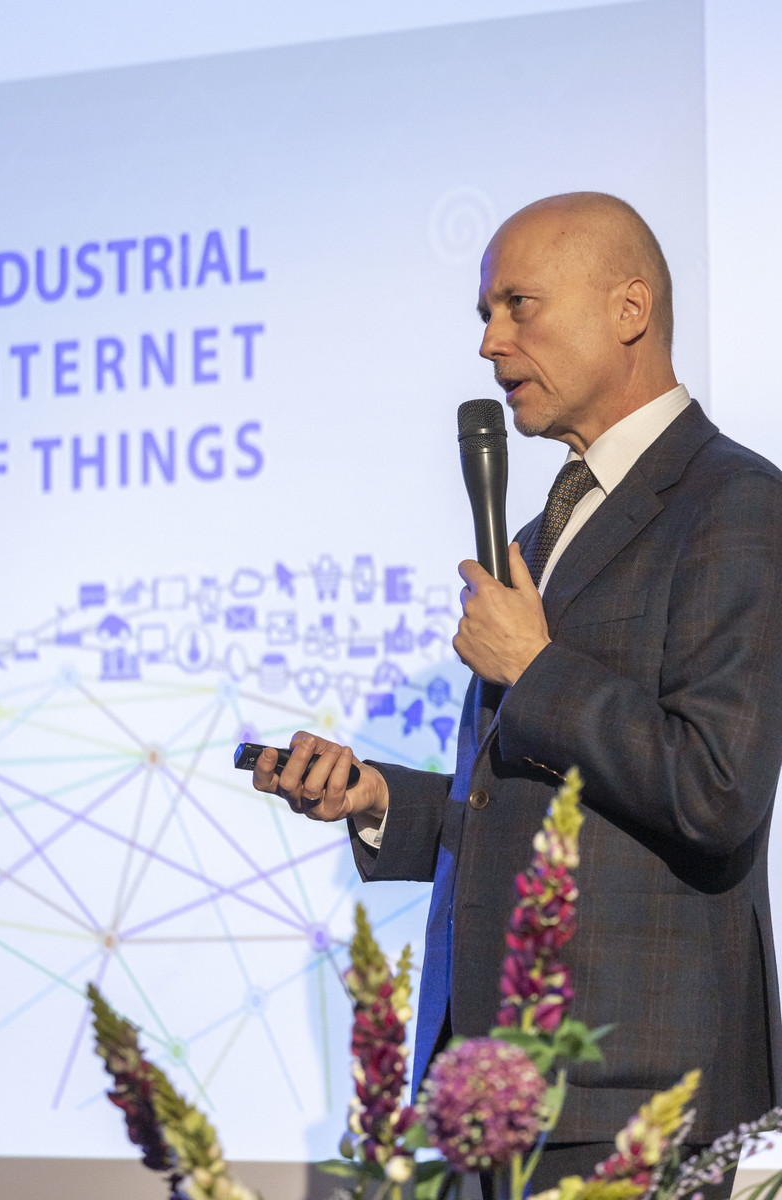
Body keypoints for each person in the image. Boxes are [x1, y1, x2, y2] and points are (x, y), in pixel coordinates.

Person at [251, 193, 782, 1185]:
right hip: (496, 1092)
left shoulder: (734, 502)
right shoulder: (540, 535)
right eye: (485, 313)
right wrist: (377, 799)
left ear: (628, 310)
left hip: (636, 1098)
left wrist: (534, 668)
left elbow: (715, 789)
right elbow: (537, 811)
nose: (490, 342)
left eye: (517, 305)